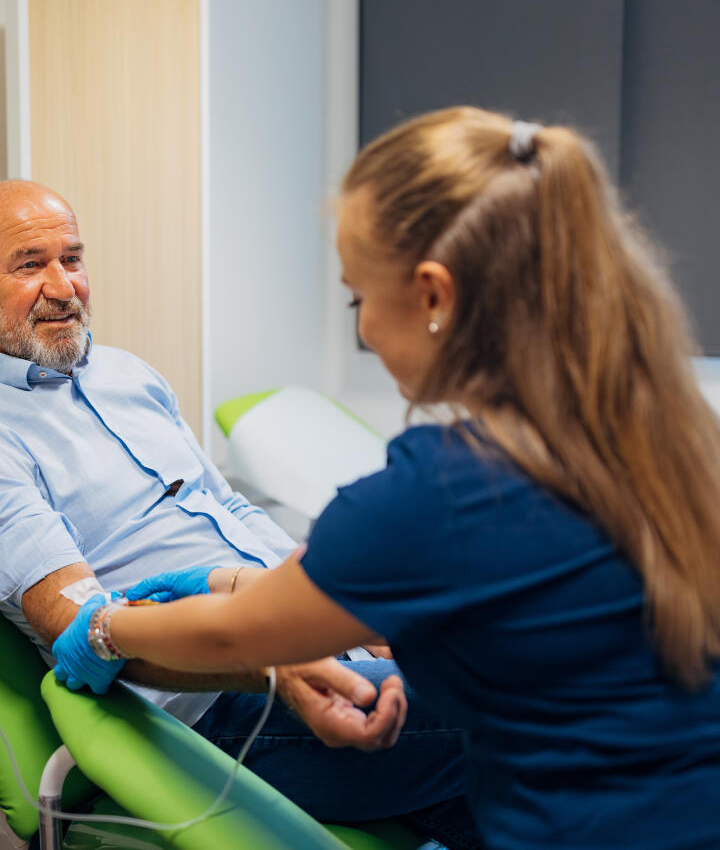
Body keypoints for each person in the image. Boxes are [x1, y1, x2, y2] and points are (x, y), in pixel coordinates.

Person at [52, 108, 720, 850]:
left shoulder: (450, 489)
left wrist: (106, 627)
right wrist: (225, 584)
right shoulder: (665, 435)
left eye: (357, 297)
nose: (362, 327)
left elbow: (234, 636)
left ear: (435, 295)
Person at [0, 178, 477, 847]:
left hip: (302, 633)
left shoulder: (127, 376)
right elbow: (87, 629)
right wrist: (273, 665)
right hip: (216, 710)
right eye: (31, 264)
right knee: (524, 693)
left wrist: (346, 608)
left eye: (74, 258)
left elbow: (225, 507)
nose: (64, 286)